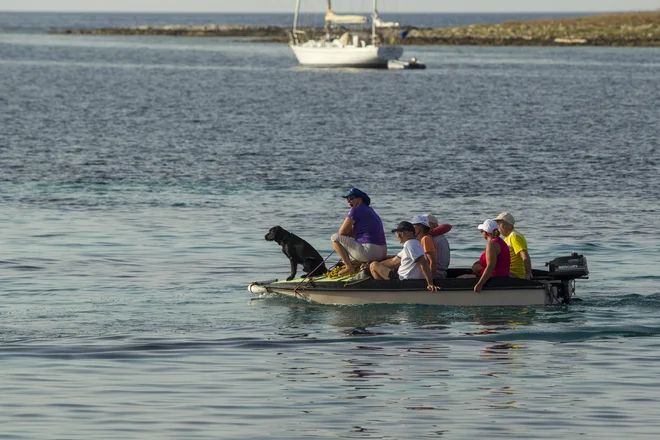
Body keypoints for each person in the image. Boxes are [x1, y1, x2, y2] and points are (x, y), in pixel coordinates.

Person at [331, 188, 387, 275]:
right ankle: (358, 264)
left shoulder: (356, 210)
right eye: (347, 199)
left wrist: (348, 235)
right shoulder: (370, 210)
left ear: (360, 199)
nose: (348, 201)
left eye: (351, 198)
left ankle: (349, 267)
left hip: (370, 252)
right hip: (382, 252)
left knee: (335, 238)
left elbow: (342, 232)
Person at [369, 221, 439, 291]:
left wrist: (430, 283)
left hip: (404, 280)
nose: (399, 235)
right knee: (374, 265)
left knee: (373, 265)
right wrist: (370, 265)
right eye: (398, 233)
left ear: (411, 233)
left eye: (402, 233)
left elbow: (423, 263)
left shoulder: (410, 244)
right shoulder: (412, 244)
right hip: (404, 278)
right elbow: (393, 261)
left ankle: (383, 291)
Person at [470, 219, 510, 293]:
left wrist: (479, 284)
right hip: (502, 277)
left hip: (494, 279)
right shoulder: (500, 241)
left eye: (481, 231)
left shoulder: (492, 245)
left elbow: (490, 266)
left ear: (486, 233)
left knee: (459, 278)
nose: (481, 233)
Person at [494, 212, 532, 280]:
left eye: (499, 223)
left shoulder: (514, 236)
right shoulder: (507, 238)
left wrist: (528, 273)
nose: (498, 226)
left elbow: (524, 255)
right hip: (508, 271)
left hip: (514, 274)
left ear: (507, 225)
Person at [424, 213, 451, 279]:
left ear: (434, 225)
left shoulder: (432, 239)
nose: (423, 227)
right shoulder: (438, 237)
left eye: (425, 225)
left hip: (436, 273)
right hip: (440, 272)